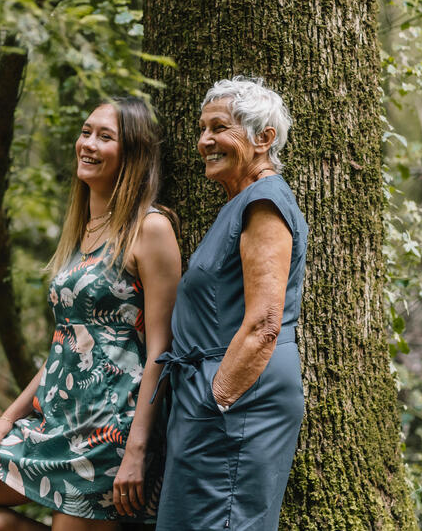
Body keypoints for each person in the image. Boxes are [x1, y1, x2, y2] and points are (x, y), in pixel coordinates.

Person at [0, 97, 181, 531]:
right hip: (52, 421)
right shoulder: (82, 232)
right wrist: (9, 415)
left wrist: (137, 450)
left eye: (105, 136)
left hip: (107, 435)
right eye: (86, 131)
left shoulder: (151, 228)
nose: (88, 143)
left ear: (133, 153)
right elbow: (66, 344)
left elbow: (162, 352)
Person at [154, 77, 308, 531]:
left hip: (236, 403)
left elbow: (264, 323)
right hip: (215, 400)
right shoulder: (241, 202)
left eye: (219, 128)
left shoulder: (264, 202)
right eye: (202, 130)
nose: (204, 142)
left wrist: (213, 401)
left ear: (263, 138)